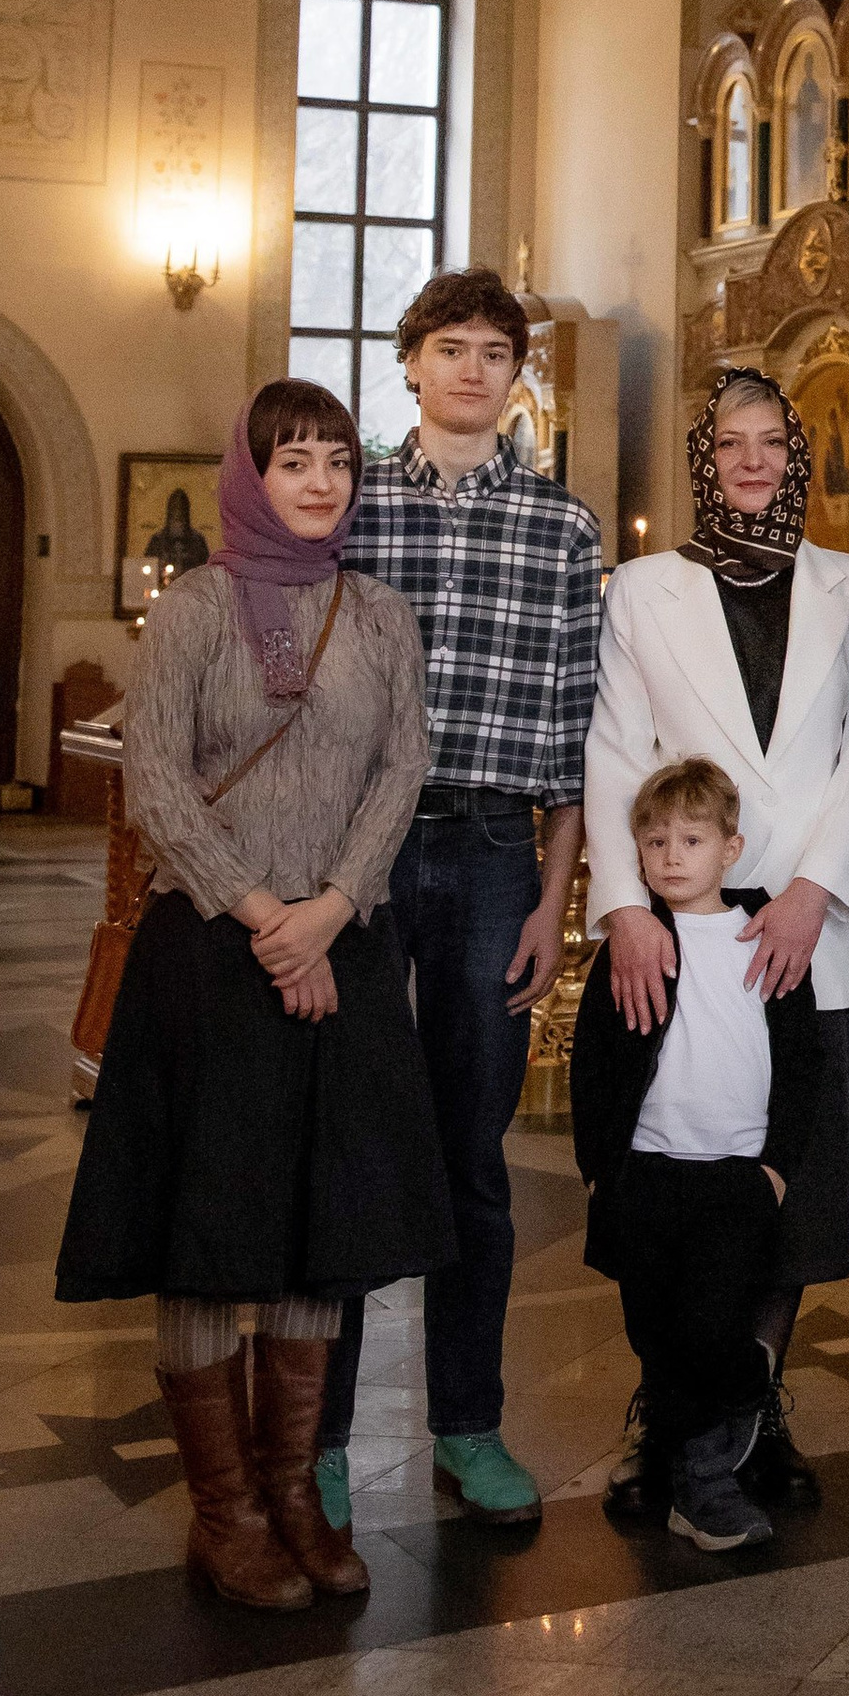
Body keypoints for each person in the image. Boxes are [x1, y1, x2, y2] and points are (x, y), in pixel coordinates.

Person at [57, 384, 449, 1609]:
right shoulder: (194, 612)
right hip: (212, 962)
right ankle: (221, 1514)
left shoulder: (379, 614)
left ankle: (292, 1494)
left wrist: (331, 906)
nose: (321, 481)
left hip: (344, 945)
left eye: (338, 460)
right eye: (294, 461)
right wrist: (266, 916)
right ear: (251, 474)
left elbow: (405, 767)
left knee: (311, 1227)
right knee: (206, 1233)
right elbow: (158, 782)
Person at [317, 268, 602, 1533]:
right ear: (411, 363)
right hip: (363, 860)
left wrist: (553, 904)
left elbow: (569, 735)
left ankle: (469, 1422)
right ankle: (320, 1434)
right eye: (450, 348)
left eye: (496, 351)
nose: (474, 369)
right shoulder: (352, 507)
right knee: (350, 1135)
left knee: (472, 1154)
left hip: (494, 853)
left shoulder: (561, 527)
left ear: (518, 372)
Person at [581, 368, 849, 1521]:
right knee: (671, 1193)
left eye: (772, 445)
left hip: (806, 931)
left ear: (799, 461)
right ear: (702, 462)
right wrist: (622, 909)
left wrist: (815, 889)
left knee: (787, 1192)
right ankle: (671, 1417)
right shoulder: (644, 590)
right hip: (681, 930)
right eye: (731, 446)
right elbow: (616, 752)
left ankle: (752, 1415)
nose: (752, 463)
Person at [571, 759, 824, 1555]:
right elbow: (594, 1062)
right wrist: (597, 1168)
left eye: (691, 839)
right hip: (644, 1174)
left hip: (734, 1180)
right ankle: (696, 1473)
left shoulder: (765, 937)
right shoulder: (636, 944)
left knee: (711, 1326)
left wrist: (776, 1169)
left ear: (731, 847)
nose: (671, 856)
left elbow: (802, 1062)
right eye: (654, 842)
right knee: (656, 1338)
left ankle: (711, 1477)